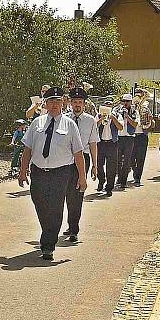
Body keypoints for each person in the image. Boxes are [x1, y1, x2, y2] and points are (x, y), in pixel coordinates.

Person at [18, 86, 87, 260]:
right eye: (51, 101)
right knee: (39, 203)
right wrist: (22, 170)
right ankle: (48, 231)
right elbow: (27, 148)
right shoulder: (37, 123)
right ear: (46, 104)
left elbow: (78, 153)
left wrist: (82, 177)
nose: (54, 105)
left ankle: (48, 244)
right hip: (38, 172)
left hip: (61, 173)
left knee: (55, 208)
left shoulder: (69, 124)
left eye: (57, 101)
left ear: (63, 103)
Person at [63, 87, 98, 242]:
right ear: (70, 103)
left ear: (84, 104)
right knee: (65, 194)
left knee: (77, 194)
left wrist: (95, 166)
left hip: (82, 159)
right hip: (65, 159)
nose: (77, 104)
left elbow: (93, 144)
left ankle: (74, 229)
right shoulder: (63, 119)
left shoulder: (90, 121)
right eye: (75, 102)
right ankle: (70, 224)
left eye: (80, 102)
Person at [96, 99, 122, 197]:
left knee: (111, 167)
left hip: (112, 143)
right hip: (100, 143)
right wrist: (101, 119)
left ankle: (109, 187)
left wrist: (113, 118)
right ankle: (101, 180)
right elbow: (94, 126)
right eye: (106, 105)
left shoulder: (117, 115)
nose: (108, 107)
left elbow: (121, 127)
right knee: (99, 164)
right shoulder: (98, 115)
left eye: (110, 106)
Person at [115, 94, 138, 190]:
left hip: (129, 138)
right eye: (123, 101)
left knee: (127, 161)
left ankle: (124, 181)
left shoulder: (134, 112)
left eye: (127, 101)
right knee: (118, 160)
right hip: (119, 137)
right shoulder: (118, 111)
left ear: (131, 102)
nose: (125, 103)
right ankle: (119, 178)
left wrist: (127, 116)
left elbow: (135, 124)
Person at [132, 92, 152, 186]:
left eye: (140, 97)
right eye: (137, 97)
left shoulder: (145, 109)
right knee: (131, 158)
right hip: (132, 136)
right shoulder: (130, 109)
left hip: (142, 136)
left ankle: (138, 178)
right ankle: (135, 172)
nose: (138, 100)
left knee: (140, 158)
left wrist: (150, 121)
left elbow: (150, 123)